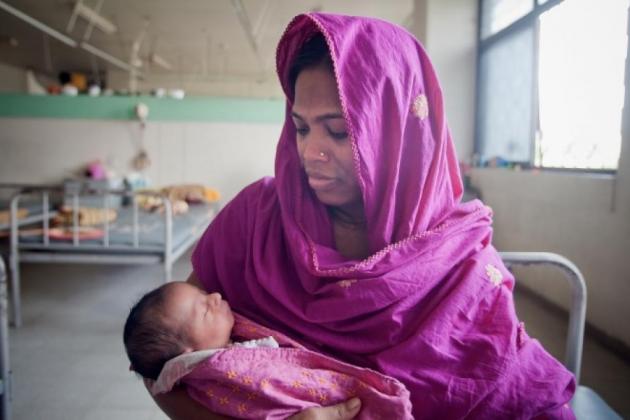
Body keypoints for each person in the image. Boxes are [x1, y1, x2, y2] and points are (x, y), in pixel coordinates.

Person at [151, 12, 576, 419]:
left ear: (397, 134)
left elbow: (509, 397)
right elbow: (160, 362)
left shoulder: (463, 267)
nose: (310, 152)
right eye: (301, 128)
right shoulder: (255, 222)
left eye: (338, 131)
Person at [125, 281, 413, 419]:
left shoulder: (222, 345)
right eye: (204, 310)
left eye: (203, 295)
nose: (214, 295)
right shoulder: (221, 373)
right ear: (188, 355)